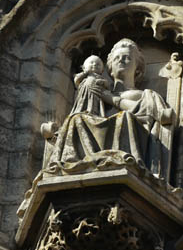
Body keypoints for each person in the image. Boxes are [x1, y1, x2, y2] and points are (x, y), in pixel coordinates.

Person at [48, 39, 175, 181]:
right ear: (109, 67)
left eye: (127, 58)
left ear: (137, 68)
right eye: (117, 58)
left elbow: (156, 116)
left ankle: (123, 162)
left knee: (124, 117)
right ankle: (77, 163)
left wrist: (109, 98)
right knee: (76, 119)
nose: (121, 61)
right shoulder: (97, 94)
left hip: (136, 141)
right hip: (100, 135)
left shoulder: (146, 95)